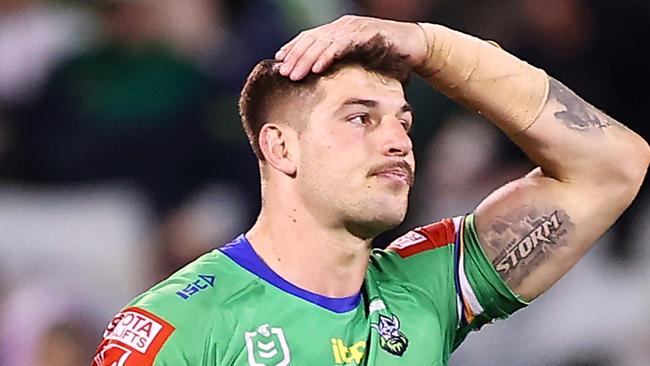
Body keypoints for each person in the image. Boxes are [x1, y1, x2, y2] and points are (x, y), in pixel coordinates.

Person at [91, 15, 649, 365]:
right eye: (361, 118)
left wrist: (433, 49)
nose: (398, 143)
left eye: (403, 123)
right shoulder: (180, 330)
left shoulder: (427, 287)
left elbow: (614, 165)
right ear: (281, 147)